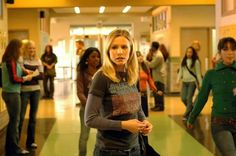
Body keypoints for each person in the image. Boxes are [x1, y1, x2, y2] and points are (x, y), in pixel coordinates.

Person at [84, 29, 153, 156]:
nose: (119, 52)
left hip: (135, 148)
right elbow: (90, 119)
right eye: (114, 47)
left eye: (124, 47)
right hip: (110, 150)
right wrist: (123, 125)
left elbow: (136, 108)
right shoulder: (102, 77)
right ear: (108, 51)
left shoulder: (132, 75)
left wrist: (144, 121)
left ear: (131, 51)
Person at [187, 37, 236, 156]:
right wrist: (192, 117)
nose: (230, 52)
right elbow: (202, 98)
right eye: (226, 49)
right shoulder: (211, 74)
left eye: (233, 49)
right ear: (219, 52)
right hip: (220, 124)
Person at [1, 39, 32, 155]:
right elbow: (14, 79)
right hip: (12, 93)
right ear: (15, 48)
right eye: (20, 48)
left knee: (13, 121)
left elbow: (15, 74)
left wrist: (24, 72)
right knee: (15, 121)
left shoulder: (9, 60)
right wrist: (25, 78)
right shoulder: (11, 61)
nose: (21, 50)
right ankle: (14, 148)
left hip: (8, 92)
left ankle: (10, 147)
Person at [18, 40, 44, 149]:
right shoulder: (21, 60)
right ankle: (16, 142)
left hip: (36, 90)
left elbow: (42, 76)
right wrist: (34, 74)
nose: (32, 50)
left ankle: (31, 141)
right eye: (30, 48)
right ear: (25, 49)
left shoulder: (38, 60)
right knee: (21, 116)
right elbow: (20, 74)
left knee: (33, 117)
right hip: (24, 90)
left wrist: (29, 75)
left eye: (33, 48)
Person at [77, 47, 102, 156]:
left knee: (103, 135)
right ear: (87, 59)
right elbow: (80, 92)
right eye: (93, 56)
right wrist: (89, 105)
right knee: (84, 136)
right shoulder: (82, 73)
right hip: (86, 109)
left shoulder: (103, 72)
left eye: (98, 56)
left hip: (102, 109)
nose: (96, 59)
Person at [177, 46, 202, 120]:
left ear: (193, 53)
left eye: (190, 52)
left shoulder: (196, 61)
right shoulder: (183, 60)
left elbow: (198, 73)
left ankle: (187, 115)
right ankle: (193, 110)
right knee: (183, 98)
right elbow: (181, 71)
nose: (189, 53)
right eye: (187, 52)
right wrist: (178, 80)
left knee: (188, 98)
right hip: (184, 82)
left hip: (192, 82)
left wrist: (200, 83)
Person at [136, 51, 162, 117]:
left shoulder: (145, 68)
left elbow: (150, 80)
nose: (140, 57)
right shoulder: (132, 69)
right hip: (135, 94)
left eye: (141, 55)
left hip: (144, 93)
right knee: (136, 114)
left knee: (144, 113)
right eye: (138, 56)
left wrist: (156, 90)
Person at [145, 41, 165, 111]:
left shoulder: (159, 56)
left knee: (158, 91)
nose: (151, 48)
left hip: (159, 77)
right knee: (155, 91)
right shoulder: (155, 54)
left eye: (151, 46)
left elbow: (152, 65)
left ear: (154, 47)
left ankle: (160, 106)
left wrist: (144, 61)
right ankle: (157, 105)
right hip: (155, 76)